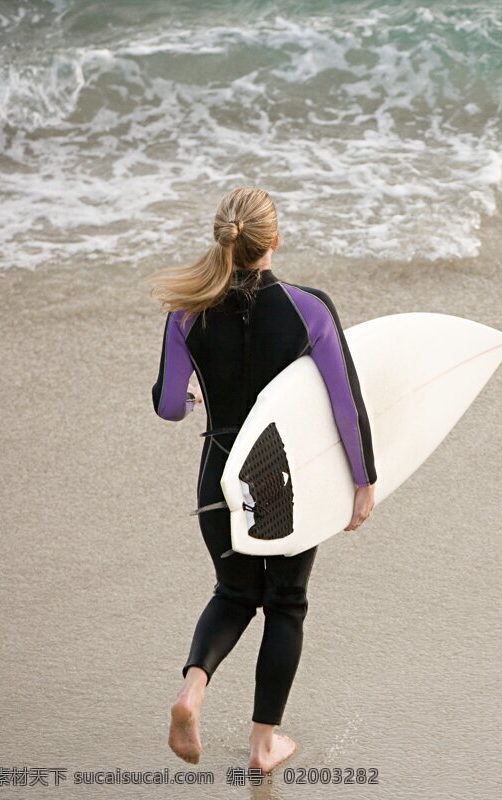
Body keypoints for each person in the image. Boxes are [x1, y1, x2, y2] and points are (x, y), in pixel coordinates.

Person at [151, 187, 377, 771]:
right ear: (275, 240)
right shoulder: (310, 309)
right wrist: (364, 479)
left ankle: (191, 693)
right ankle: (261, 745)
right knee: (286, 603)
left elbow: (170, 405)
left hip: (217, 479)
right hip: (283, 480)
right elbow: (346, 404)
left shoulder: (188, 312)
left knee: (234, 593)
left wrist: (198, 392)